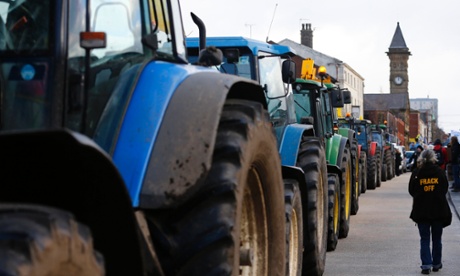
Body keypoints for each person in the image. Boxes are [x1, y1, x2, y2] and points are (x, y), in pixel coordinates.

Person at [409, 149, 452, 274]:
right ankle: (436, 263)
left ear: (421, 158)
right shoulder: (439, 172)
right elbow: (445, 188)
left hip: (421, 210)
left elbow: (411, 190)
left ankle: (426, 265)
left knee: (424, 239)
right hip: (438, 210)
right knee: (437, 238)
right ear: (434, 158)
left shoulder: (417, 172)